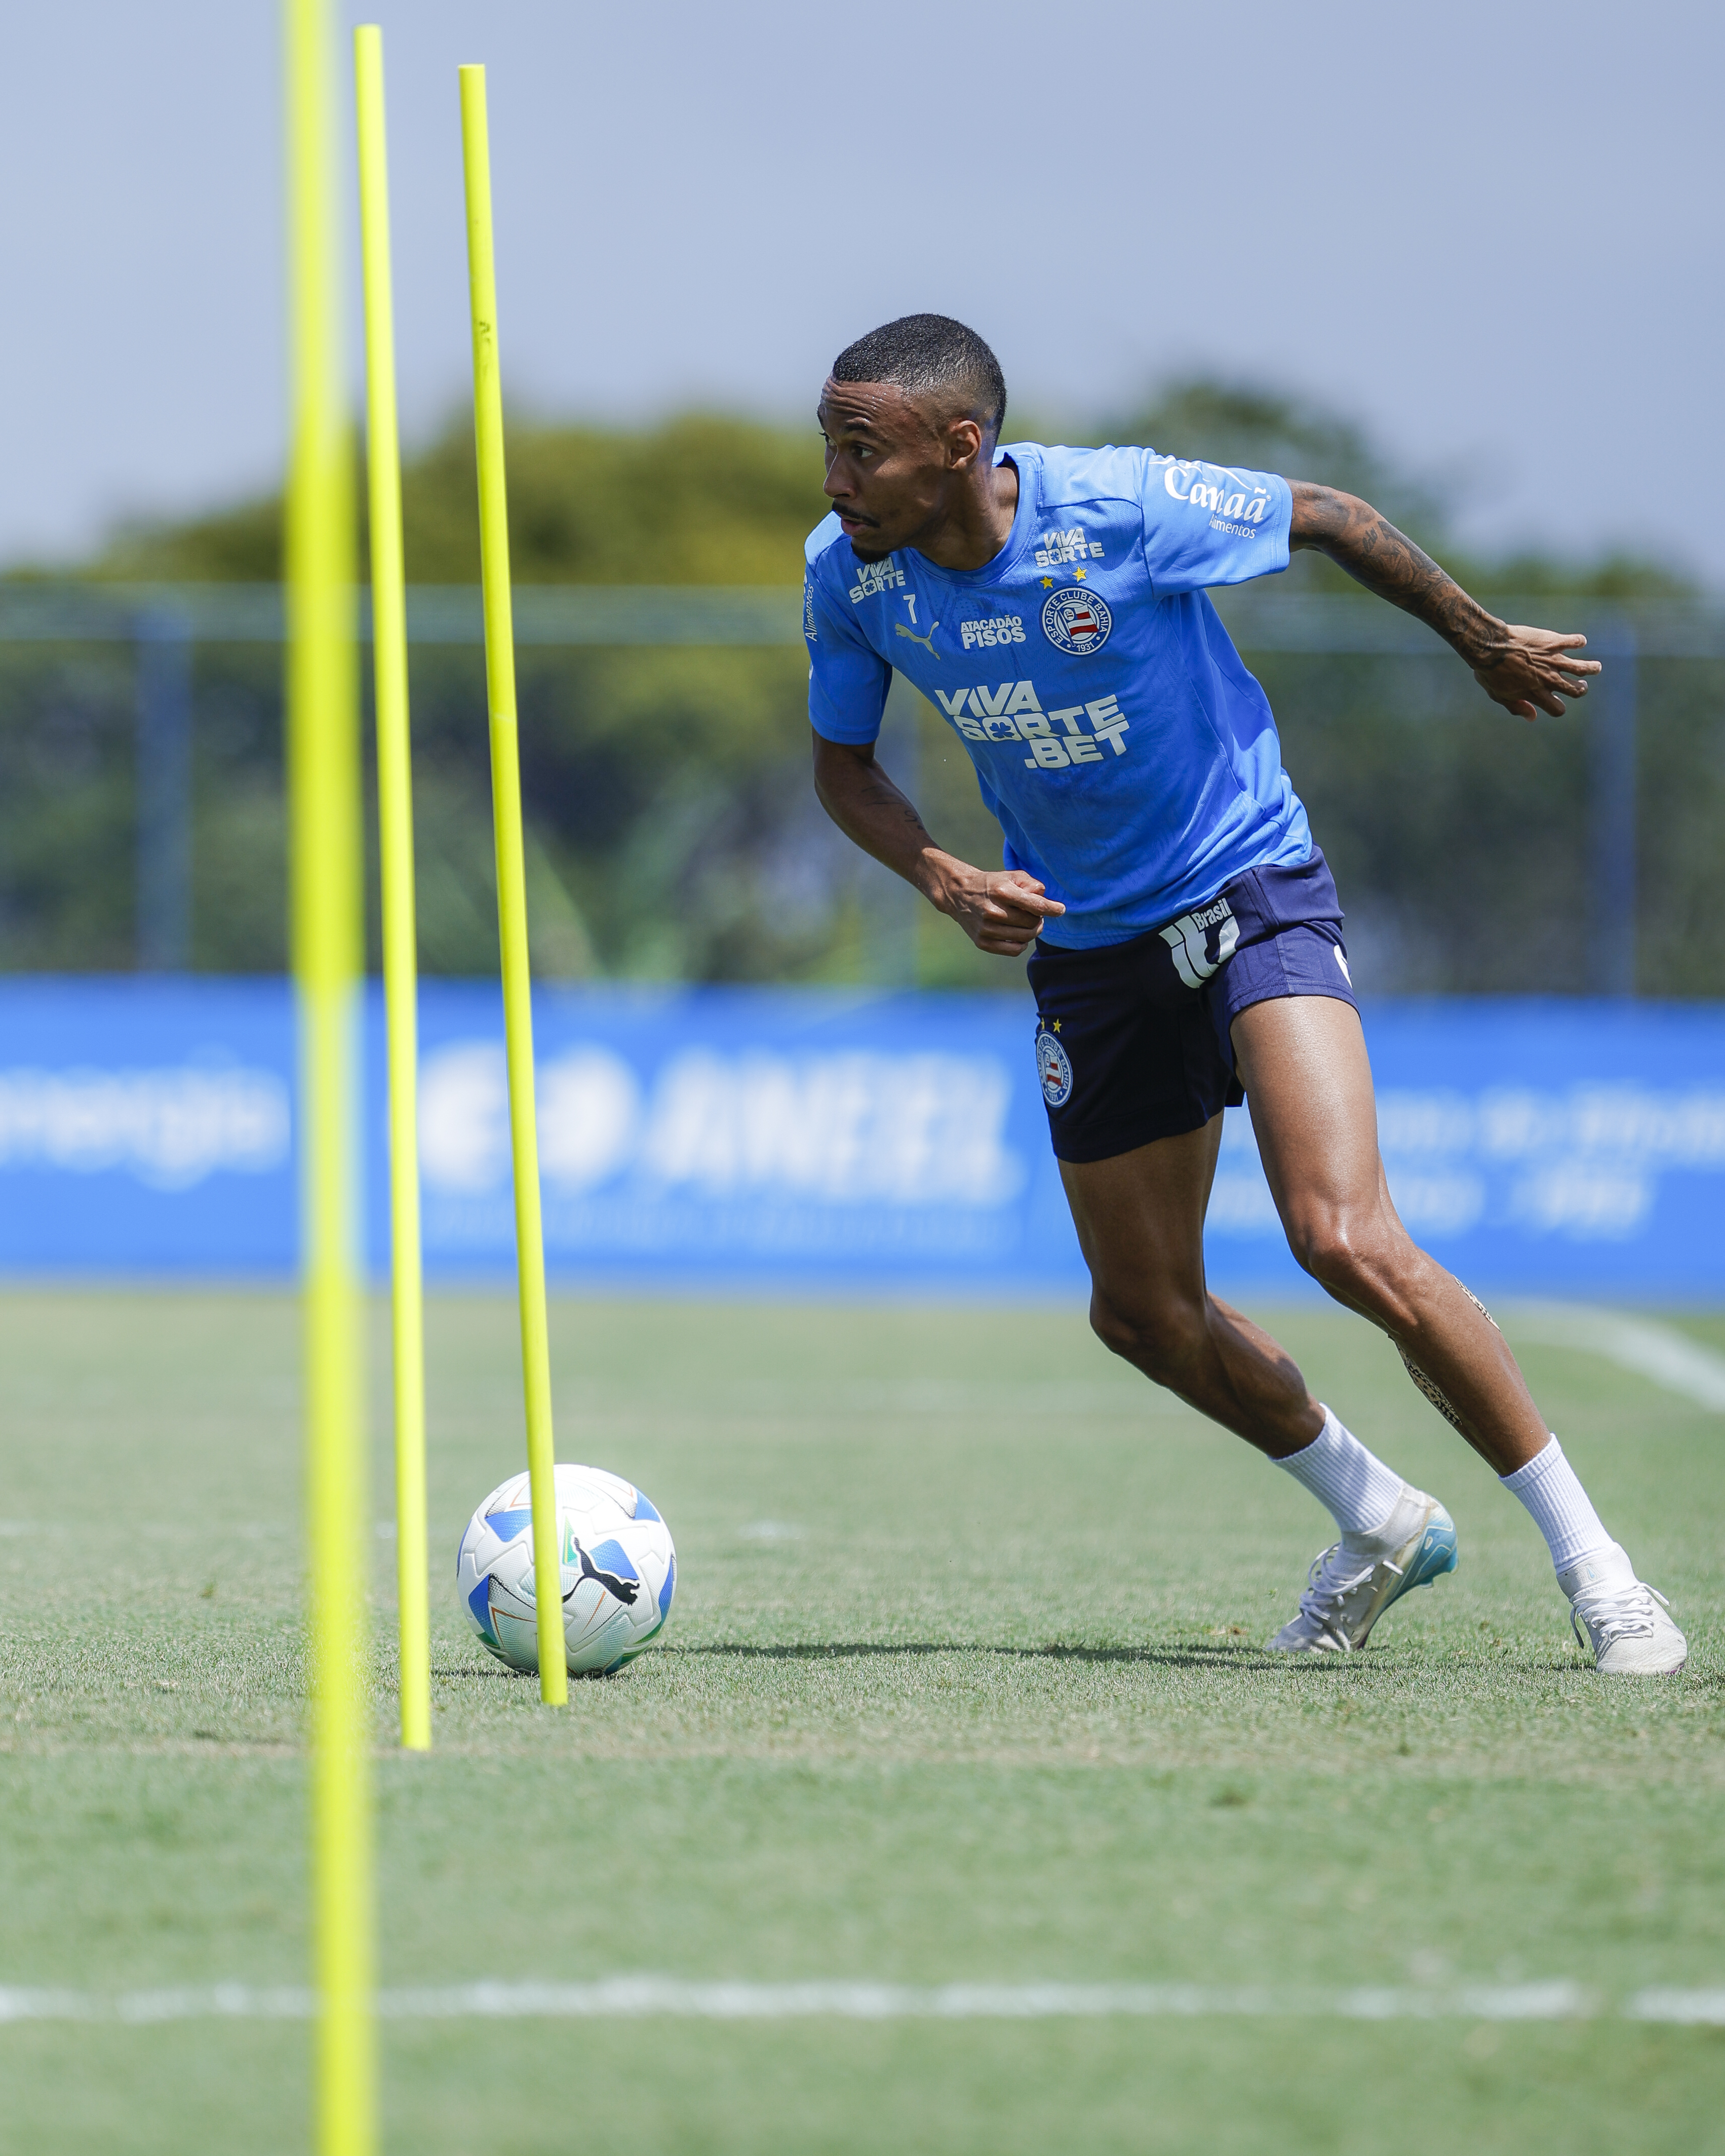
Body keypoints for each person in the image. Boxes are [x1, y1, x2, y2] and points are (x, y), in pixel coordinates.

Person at [803, 312, 1685, 1676]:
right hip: (1090, 949)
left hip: (1244, 886)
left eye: (862, 450)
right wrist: (940, 873)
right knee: (1141, 1313)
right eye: (829, 446)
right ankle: (1379, 1520)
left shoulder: (1117, 509)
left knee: (1342, 1237)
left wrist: (1481, 639)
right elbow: (843, 765)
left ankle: (1602, 1573)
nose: (836, 480)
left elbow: (1330, 515)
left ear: (961, 446)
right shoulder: (850, 577)